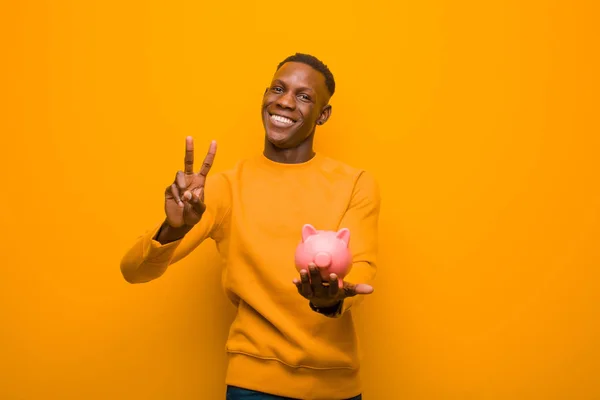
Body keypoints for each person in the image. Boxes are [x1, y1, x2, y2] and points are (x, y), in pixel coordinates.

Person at [120, 53, 381, 400]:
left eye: (304, 96)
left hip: (337, 386)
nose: (285, 102)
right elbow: (134, 271)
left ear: (323, 114)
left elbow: (361, 265)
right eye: (278, 88)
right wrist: (174, 227)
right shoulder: (224, 188)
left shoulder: (355, 183)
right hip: (254, 387)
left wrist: (331, 299)